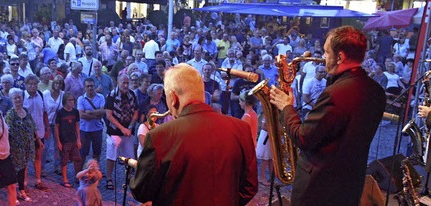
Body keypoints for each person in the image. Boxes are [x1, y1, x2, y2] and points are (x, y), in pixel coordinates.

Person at [268, 26, 386, 205]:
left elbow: (303, 138)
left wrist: (286, 107)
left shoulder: (335, 93)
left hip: (318, 191)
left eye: (326, 52)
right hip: (349, 187)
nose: (323, 58)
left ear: (339, 57)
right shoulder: (377, 91)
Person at [130, 63, 257, 205]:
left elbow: (141, 191)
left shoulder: (160, 135)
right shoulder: (240, 128)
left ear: (173, 97)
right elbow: (250, 187)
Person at [104, 74, 138, 190]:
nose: (125, 85)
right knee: (112, 155)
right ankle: (109, 178)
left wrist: (129, 127)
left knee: (130, 157)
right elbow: (109, 115)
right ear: (118, 82)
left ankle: (129, 178)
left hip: (128, 131)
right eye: (123, 83)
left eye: (127, 83)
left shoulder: (132, 94)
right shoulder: (111, 95)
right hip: (114, 131)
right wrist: (122, 128)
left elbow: (135, 112)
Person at [5, 88, 36, 203]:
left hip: (27, 145)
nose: (18, 99)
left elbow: (32, 126)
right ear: (11, 99)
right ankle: (12, 193)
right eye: (15, 98)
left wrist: (37, 140)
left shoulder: (26, 111)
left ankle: (21, 191)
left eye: (19, 97)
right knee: (13, 170)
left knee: (23, 169)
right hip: (14, 146)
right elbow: (7, 131)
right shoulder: (10, 114)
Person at [54, 92, 82, 187]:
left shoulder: (75, 112)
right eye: (69, 100)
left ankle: (77, 177)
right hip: (64, 140)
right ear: (65, 101)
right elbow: (57, 127)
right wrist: (58, 141)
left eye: (73, 100)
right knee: (64, 160)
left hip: (73, 139)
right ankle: (65, 179)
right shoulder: (60, 113)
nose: (72, 102)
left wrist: (78, 139)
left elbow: (77, 125)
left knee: (77, 159)